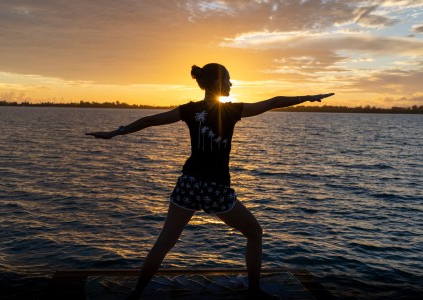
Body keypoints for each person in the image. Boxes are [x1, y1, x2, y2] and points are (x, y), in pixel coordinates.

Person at [86, 63, 334, 299]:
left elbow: (150, 120)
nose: (231, 83)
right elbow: (273, 102)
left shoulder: (189, 109)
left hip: (189, 184)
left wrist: (114, 133)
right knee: (255, 233)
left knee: (164, 243)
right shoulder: (232, 110)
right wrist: (307, 97)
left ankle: (136, 295)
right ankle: (254, 292)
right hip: (216, 189)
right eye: (228, 79)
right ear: (218, 82)